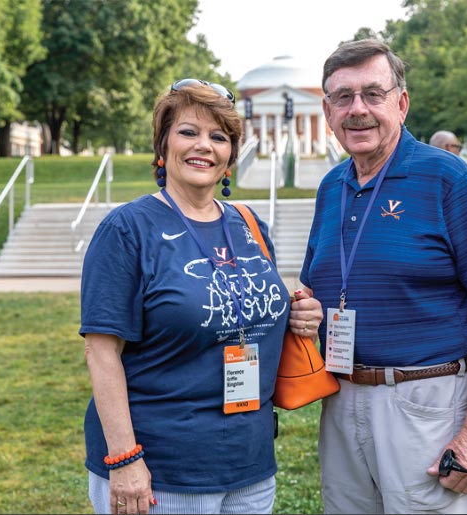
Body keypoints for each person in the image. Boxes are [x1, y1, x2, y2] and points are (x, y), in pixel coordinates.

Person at [79, 79, 323, 514]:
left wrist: (297, 315)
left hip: (249, 466)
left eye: (219, 136)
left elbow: (247, 308)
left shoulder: (249, 224)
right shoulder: (127, 230)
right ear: (163, 143)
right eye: (188, 131)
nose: (204, 146)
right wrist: (125, 459)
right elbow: (101, 353)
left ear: (231, 153)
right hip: (162, 470)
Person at [299, 39, 467, 514]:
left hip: (424, 402)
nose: (357, 110)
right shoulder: (330, 187)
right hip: (340, 398)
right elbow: (317, 290)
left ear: (401, 103)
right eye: (343, 97)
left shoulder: (445, 177)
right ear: (327, 110)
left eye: (372, 94)